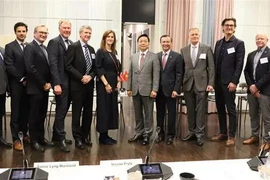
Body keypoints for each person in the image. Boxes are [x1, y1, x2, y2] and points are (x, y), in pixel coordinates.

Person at [211, 17, 245, 147]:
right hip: (218, 82)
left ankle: (231, 136)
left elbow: (239, 64)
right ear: (222, 27)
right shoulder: (219, 43)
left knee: (231, 109)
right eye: (227, 25)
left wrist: (234, 81)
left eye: (231, 25)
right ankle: (223, 132)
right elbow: (215, 63)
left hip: (229, 82)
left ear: (234, 28)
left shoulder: (238, 43)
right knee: (219, 107)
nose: (229, 27)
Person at [181, 28, 215, 146]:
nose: (194, 36)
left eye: (196, 34)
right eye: (192, 34)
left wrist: (210, 83)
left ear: (199, 35)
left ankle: (200, 134)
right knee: (190, 110)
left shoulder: (206, 49)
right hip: (188, 84)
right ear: (189, 36)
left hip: (202, 84)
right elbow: (182, 68)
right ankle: (191, 132)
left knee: (200, 110)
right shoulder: (184, 50)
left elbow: (211, 68)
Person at [24, 25, 54, 152]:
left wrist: (50, 83)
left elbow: (48, 68)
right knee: (34, 116)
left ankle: (41, 138)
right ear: (34, 34)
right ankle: (34, 141)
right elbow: (30, 68)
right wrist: (43, 83)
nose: (43, 35)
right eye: (41, 32)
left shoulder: (45, 48)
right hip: (35, 88)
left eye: (46, 33)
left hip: (45, 88)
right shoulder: (30, 47)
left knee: (42, 115)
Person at [65, 25, 96, 150]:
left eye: (89, 33)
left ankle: (85, 136)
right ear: (80, 34)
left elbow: (94, 67)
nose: (87, 35)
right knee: (77, 113)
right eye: (85, 33)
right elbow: (68, 66)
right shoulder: (73, 47)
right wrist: (81, 77)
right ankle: (77, 138)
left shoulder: (92, 49)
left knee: (88, 112)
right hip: (77, 85)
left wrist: (90, 76)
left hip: (89, 85)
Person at [127, 34, 160, 146]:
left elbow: (156, 74)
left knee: (148, 113)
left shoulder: (153, 57)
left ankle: (147, 133)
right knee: (137, 113)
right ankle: (139, 132)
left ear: (148, 43)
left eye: (145, 41)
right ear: (138, 43)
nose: (142, 43)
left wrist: (155, 89)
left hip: (148, 90)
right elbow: (130, 73)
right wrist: (129, 88)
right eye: (140, 41)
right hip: (135, 90)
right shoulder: (133, 56)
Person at [47, 19, 73, 152]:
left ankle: (56, 135)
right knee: (61, 111)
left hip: (71, 84)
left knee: (63, 111)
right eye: (64, 28)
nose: (67, 30)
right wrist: (56, 83)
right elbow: (53, 64)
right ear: (59, 29)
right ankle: (61, 138)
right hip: (61, 84)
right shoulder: (54, 42)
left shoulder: (72, 44)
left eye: (69, 28)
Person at [4, 22, 30, 151]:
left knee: (26, 111)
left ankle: (24, 134)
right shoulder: (10, 47)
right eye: (19, 31)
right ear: (15, 32)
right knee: (16, 112)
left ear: (26, 32)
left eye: (24, 31)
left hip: (29, 85)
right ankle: (15, 139)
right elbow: (9, 65)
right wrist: (21, 78)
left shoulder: (29, 47)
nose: (21, 33)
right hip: (16, 85)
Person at [243, 34, 270, 150]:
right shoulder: (251, 55)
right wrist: (251, 86)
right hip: (251, 91)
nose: (259, 40)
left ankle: (267, 140)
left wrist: (257, 86)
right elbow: (246, 71)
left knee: (266, 117)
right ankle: (254, 136)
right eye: (257, 39)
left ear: (267, 40)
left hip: (264, 91)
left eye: (262, 39)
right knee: (253, 115)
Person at [155, 35, 183, 145]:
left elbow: (179, 74)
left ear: (171, 43)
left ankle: (171, 135)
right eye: (163, 42)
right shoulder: (156, 56)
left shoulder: (177, 56)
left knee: (172, 113)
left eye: (167, 42)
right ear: (160, 43)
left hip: (171, 90)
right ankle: (160, 133)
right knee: (159, 113)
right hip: (159, 90)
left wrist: (176, 89)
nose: (165, 44)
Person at [95, 30, 121, 145]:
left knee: (111, 109)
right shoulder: (100, 52)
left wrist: (119, 81)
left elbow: (118, 69)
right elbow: (98, 68)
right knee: (103, 109)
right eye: (108, 36)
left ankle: (106, 135)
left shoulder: (114, 52)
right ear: (104, 38)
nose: (110, 38)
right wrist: (106, 84)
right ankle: (102, 136)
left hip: (113, 83)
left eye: (112, 37)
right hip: (104, 84)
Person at [0, 46, 12, 148]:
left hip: (2, 89)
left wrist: (8, 87)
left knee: (0, 114)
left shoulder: (2, 50)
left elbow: (5, 70)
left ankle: (0, 139)